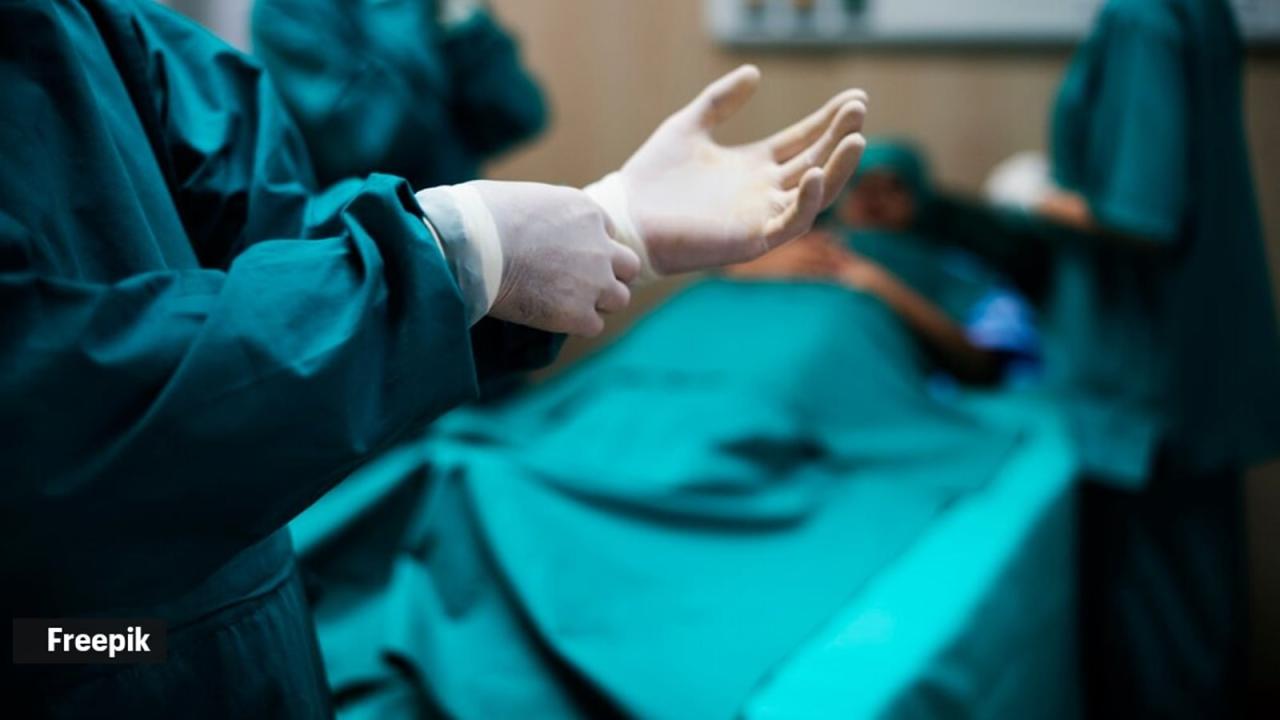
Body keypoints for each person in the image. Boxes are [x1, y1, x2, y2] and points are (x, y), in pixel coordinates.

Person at [0, 0, 867, 715]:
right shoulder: (300, 17)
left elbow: (279, 240)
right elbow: (39, 404)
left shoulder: (109, 28)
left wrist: (612, 219)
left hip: (241, 601)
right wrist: (450, 254)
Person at [953, 1, 1280, 714]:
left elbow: (1140, 215)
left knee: (1157, 637)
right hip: (1192, 360)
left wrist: (1035, 197)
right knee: (1194, 615)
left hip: (1141, 381)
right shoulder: (1199, 11)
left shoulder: (1141, 19)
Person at [731, 140, 1040, 387]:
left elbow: (986, 366)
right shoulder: (788, 249)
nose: (874, 198)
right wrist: (755, 266)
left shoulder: (955, 270)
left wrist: (883, 288)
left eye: (893, 187)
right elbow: (720, 292)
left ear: (920, 198)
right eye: (859, 185)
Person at [252, 0, 546, 190]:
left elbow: (518, 115)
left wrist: (462, 22)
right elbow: (363, 143)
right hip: (356, 242)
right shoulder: (288, 9)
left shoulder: (431, 7)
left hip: (458, 238)